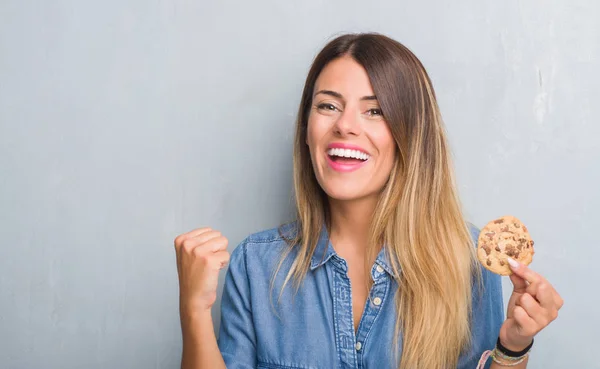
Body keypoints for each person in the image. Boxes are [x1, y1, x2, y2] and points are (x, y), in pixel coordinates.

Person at [174, 33, 563, 369]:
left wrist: (512, 348)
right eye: (328, 105)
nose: (345, 124)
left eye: (374, 111)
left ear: (409, 136)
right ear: (306, 132)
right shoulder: (256, 266)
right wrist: (194, 308)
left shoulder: (467, 264)